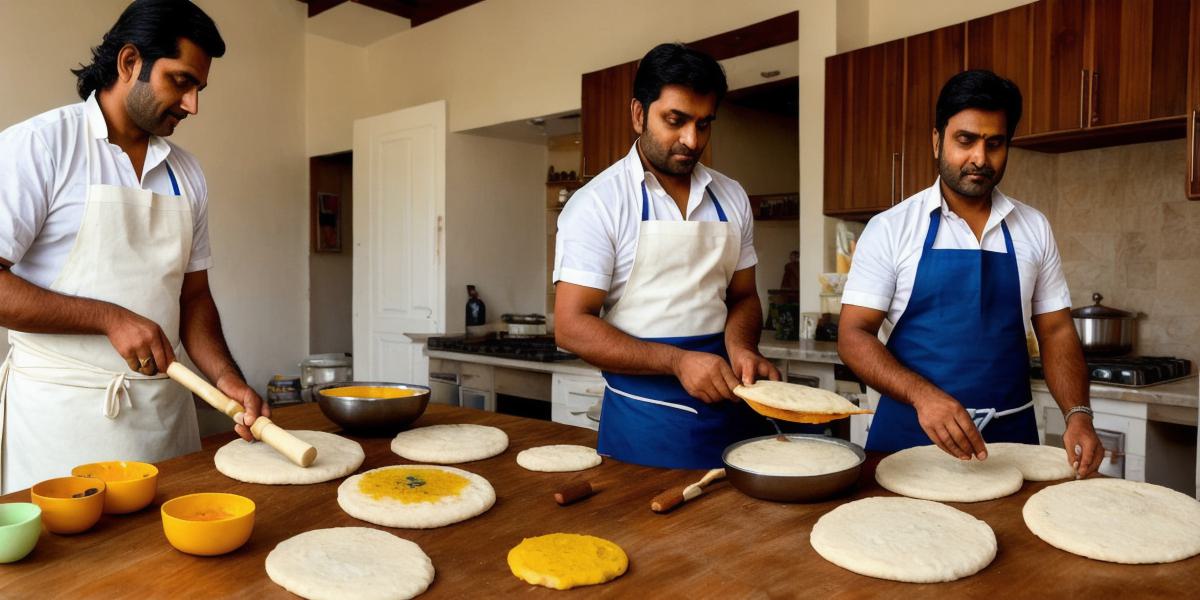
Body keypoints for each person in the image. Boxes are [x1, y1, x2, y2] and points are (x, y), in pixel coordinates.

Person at [0, 0, 267, 493]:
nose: (193, 105)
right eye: (181, 81)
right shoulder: (39, 146)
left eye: (199, 89)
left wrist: (226, 379)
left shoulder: (187, 173)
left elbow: (194, 298)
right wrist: (109, 318)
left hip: (165, 426)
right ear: (129, 62)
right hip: (63, 428)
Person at [838, 70, 1104, 477]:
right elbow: (853, 335)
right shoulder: (891, 228)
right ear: (936, 140)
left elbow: (1056, 331)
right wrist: (924, 396)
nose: (980, 158)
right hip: (908, 439)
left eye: (994, 144)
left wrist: (1078, 413)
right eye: (965, 140)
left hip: (1012, 444)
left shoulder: (1032, 227)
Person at [553, 43, 782, 469]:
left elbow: (744, 297)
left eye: (704, 124)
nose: (692, 140)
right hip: (645, 424)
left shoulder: (730, 196)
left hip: (732, 409)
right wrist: (678, 362)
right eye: (675, 121)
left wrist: (741, 348)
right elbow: (571, 327)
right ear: (639, 114)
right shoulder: (599, 203)